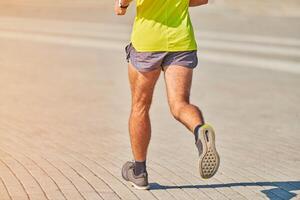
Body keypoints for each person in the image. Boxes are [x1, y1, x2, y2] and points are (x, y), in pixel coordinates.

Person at [115, 0, 220, 190]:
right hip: (181, 41)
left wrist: (121, 5)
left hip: (148, 42)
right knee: (179, 104)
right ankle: (199, 130)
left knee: (140, 106)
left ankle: (139, 172)